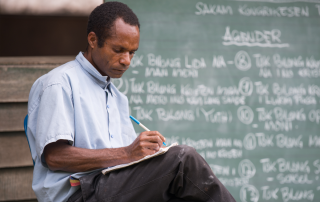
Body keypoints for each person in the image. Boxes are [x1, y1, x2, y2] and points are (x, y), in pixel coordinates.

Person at [27, 2, 236, 202]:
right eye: (118, 50)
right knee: (182, 159)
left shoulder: (117, 97)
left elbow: (124, 161)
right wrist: (127, 152)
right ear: (92, 40)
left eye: (132, 52)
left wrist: (146, 155)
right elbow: (55, 157)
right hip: (79, 194)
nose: (127, 60)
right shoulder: (60, 83)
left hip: (112, 187)